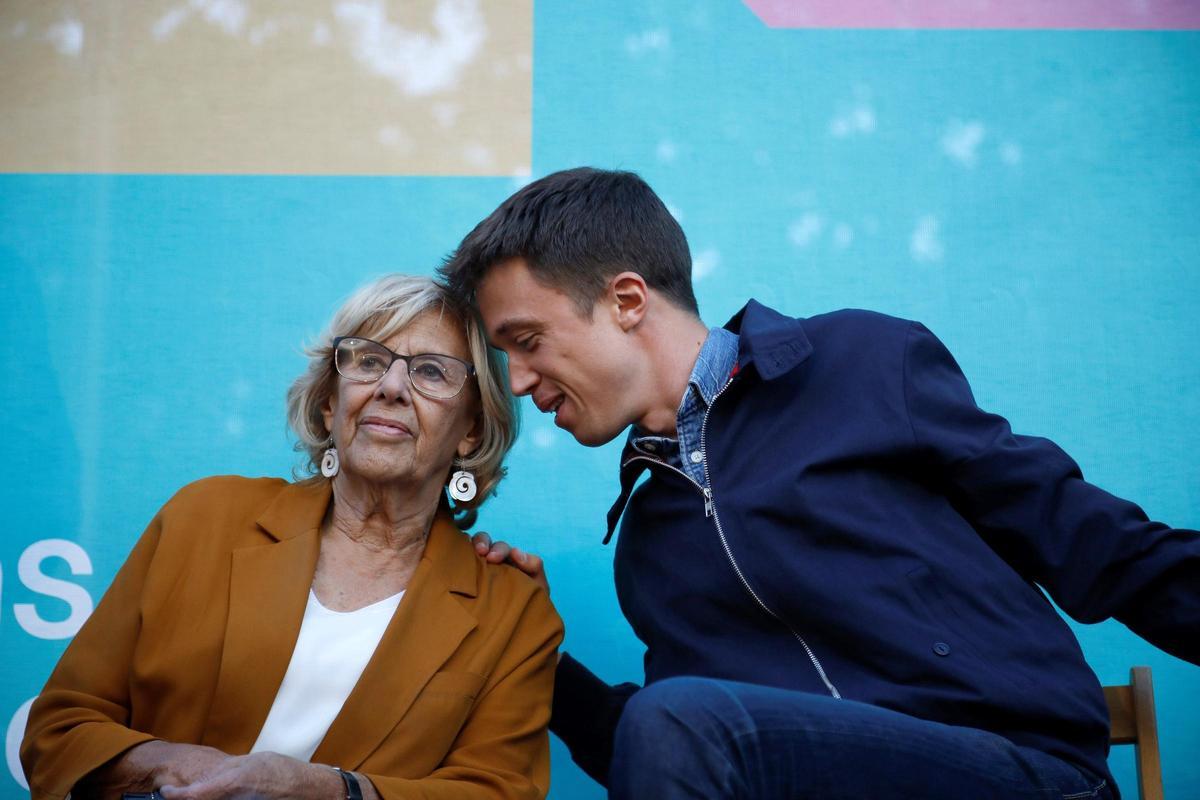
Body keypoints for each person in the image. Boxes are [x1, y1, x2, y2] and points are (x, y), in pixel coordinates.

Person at [440, 167, 1200, 800]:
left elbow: (1092, 540)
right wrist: (528, 651)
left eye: (527, 341)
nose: (521, 381)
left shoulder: (860, 363)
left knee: (677, 720)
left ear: (627, 300)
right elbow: (668, 757)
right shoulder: (650, 546)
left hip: (1020, 772)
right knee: (671, 724)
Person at [21, 274, 563, 800]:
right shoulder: (203, 519)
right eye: (368, 361)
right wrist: (179, 768)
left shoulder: (513, 613)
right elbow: (58, 734)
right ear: (331, 402)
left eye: (432, 372)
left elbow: (497, 790)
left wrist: (329, 791)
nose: (391, 387)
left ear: (471, 429)